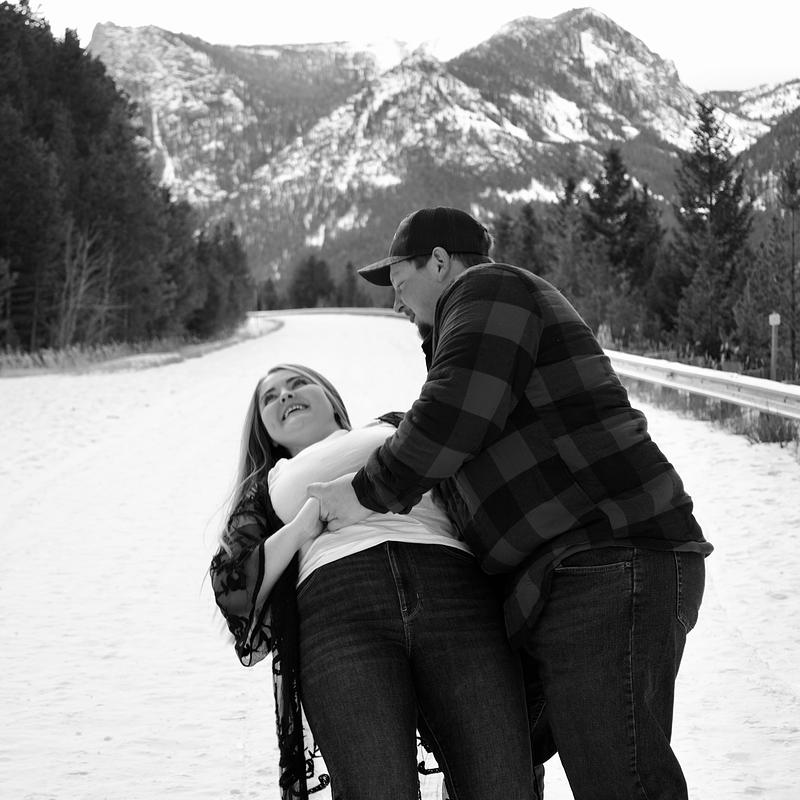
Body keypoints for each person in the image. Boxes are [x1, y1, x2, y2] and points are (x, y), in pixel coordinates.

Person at [308, 207, 714, 800]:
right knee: (509, 757)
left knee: (620, 781)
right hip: (568, 578)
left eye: (398, 283)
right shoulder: (474, 325)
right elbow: (457, 438)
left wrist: (363, 493)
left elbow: (453, 413)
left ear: (439, 262)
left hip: (605, 554)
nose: (396, 304)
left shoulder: (487, 287)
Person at [209, 363, 535, 800]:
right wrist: (302, 527)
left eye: (298, 383)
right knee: (376, 789)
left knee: (501, 783)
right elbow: (232, 584)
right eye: (270, 397)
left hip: (453, 589)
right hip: (339, 608)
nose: (285, 395)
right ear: (265, 430)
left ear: (331, 399)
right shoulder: (267, 484)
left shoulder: (394, 427)